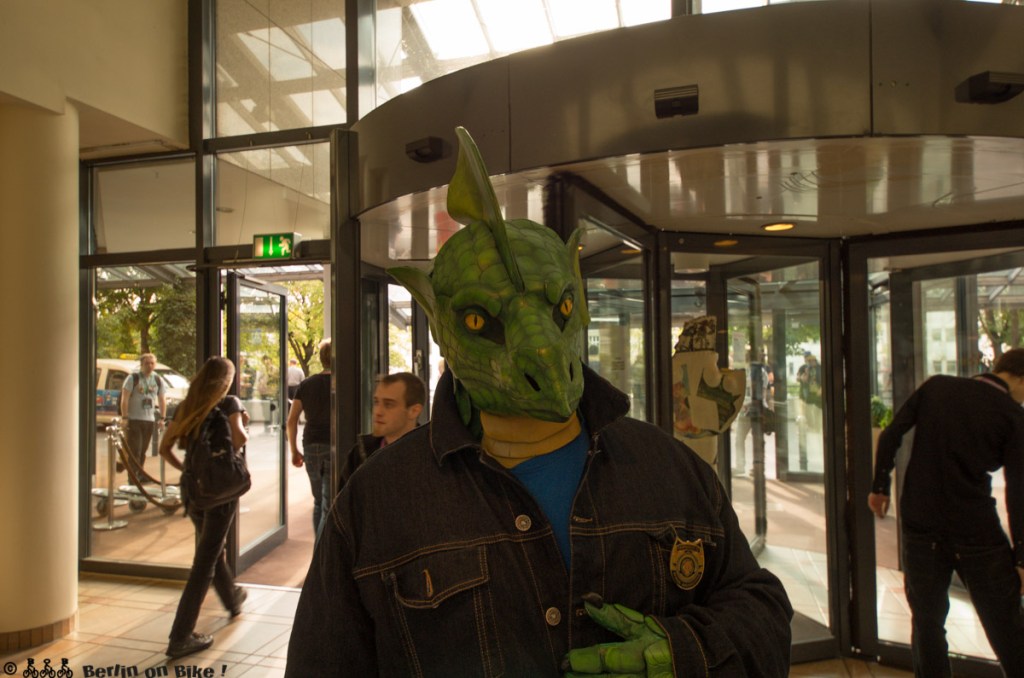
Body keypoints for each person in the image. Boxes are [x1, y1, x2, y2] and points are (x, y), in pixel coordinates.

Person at [285, 127, 792, 677]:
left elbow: (760, 608)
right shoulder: (376, 503)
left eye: (561, 308)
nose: (542, 353)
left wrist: (687, 651)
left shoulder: (672, 472)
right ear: (441, 326)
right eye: (481, 320)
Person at [868, 348, 1024, 677]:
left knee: (927, 625)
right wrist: (1022, 557)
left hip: (922, 528)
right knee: (1007, 626)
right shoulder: (1012, 415)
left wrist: (879, 487)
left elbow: (891, 435)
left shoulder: (937, 387)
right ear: (1020, 379)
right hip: (976, 532)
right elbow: (1018, 491)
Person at [158, 356, 249, 659]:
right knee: (205, 562)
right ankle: (180, 635)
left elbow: (164, 447)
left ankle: (232, 598)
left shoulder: (188, 405)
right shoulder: (229, 403)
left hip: (194, 493)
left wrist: (189, 471)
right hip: (220, 496)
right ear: (224, 382)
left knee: (211, 549)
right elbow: (239, 438)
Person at [338, 372, 425, 488]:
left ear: (414, 411)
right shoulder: (360, 454)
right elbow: (342, 504)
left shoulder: (429, 458)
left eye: (389, 404)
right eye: (376, 402)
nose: (378, 411)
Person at [287, 340, 332, 537]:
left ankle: (318, 548)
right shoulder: (345, 382)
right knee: (330, 501)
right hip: (334, 445)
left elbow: (291, 420)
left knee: (318, 501)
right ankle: (322, 553)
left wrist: (294, 450)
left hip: (311, 444)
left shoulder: (306, 385)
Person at [119, 353, 166, 472]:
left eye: (152, 363)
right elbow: (124, 399)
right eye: (146, 363)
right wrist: (124, 417)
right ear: (141, 365)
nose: (149, 366)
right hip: (134, 419)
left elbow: (161, 399)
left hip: (149, 420)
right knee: (135, 450)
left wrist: (162, 417)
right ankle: (133, 477)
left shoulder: (157, 379)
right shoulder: (133, 378)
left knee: (143, 450)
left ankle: (140, 474)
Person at [796, 352, 821, 431]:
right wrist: (805, 373)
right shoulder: (804, 368)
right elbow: (801, 378)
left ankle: (817, 427)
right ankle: (811, 426)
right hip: (807, 392)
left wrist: (821, 389)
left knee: (817, 410)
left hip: (817, 392)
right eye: (807, 359)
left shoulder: (819, 368)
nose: (809, 362)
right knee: (807, 410)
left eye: (811, 360)